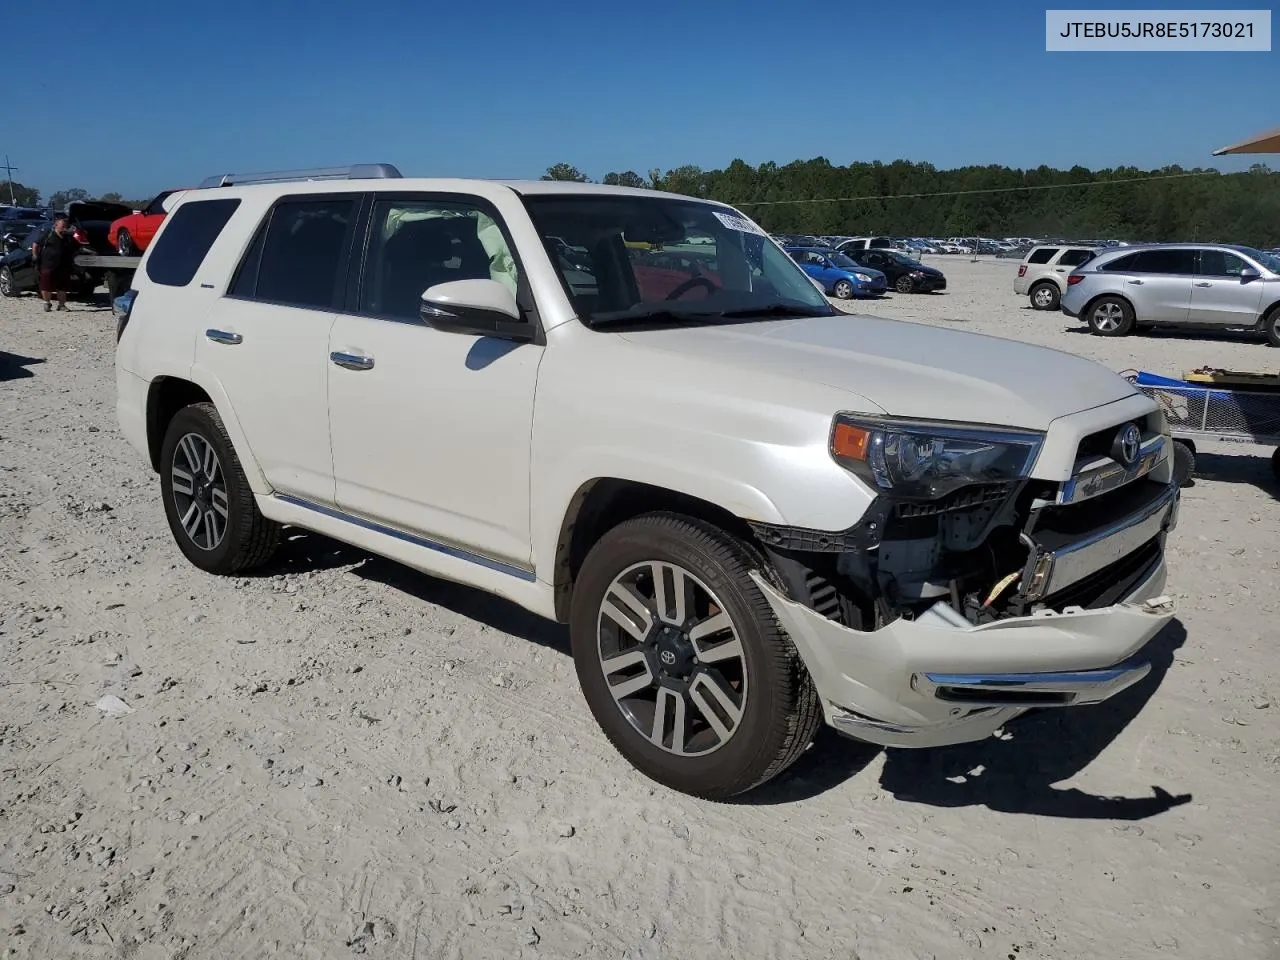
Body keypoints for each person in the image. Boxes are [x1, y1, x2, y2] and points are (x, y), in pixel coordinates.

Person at [34, 215, 79, 312]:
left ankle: (61, 305)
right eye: (63, 225)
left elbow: (76, 246)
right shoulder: (48, 234)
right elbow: (36, 244)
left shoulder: (68, 237)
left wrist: (74, 233)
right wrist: (35, 255)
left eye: (66, 225)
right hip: (48, 264)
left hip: (64, 265)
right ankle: (47, 303)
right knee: (46, 285)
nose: (65, 227)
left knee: (62, 287)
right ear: (56, 225)